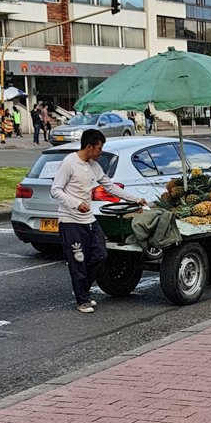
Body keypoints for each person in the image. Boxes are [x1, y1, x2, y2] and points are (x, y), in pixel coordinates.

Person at [49, 129, 148, 313]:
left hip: (88, 219)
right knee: (78, 260)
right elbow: (55, 190)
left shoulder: (94, 166)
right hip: (70, 220)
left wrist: (134, 199)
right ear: (89, 147)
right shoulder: (69, 163)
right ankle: (82, 300)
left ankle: (81, 289)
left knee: (101, 255)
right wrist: (76, 203)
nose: (100, 152)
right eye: (99, 148)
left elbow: (109, 186)